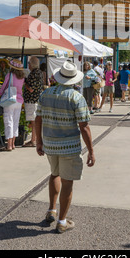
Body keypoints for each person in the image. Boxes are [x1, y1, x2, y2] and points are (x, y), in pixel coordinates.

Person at [35, 60, 95, 234]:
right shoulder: (76, 97)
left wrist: (39, 141)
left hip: (50, 144)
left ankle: (51, 210)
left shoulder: (45, 94)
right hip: (69, 147)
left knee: (54, 174)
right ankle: (62, 221)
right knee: (67, 182)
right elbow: (84, 127)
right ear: (74, 79)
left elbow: (38, 119)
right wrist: (91, 151)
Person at [0, 59, 25, 151]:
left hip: (10, 100)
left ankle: (9, 145)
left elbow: (4, 87)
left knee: (8, 121)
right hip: (19, 101)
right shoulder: (22, 77)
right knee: (15, 122)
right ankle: (13, 143)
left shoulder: (9, 75)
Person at [23, 56, 43, 147]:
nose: (28, 65)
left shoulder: (33, 74)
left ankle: (33, 140)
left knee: (33, 121)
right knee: (35, 121)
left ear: (32, 64)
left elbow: (31, 89)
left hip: (31, 100)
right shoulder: (39, 73)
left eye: (29, 64)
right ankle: (34, 139)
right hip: (37, 99)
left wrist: (25, 83)